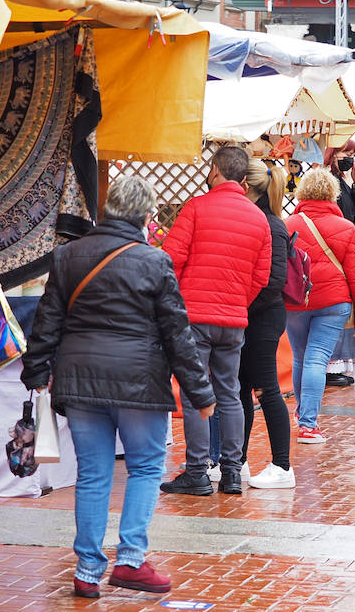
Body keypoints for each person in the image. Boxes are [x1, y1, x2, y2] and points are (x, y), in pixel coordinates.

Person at [22, 175, 216, 599]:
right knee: (146, 466)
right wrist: (200, 394)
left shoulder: (68, 255)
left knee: (93, 474)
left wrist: (36, 374)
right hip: (138, 384)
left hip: (80, 382)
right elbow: (177, 335)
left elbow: (47, 322)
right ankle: (130, 560)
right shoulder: (154, 261)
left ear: (108, 211)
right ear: (146, 216)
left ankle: (88, 570)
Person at [159, 146, 272, 497]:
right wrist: (238, 301)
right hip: (234, 320)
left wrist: (174, 304)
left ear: (214, 171)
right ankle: (232, 472)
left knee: (195, 393)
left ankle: (197, 471)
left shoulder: (196, 208)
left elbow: (170, 262)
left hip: (194, 316)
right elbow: (261, 277)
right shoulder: (259, 219)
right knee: (230, 393)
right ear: (242, 178)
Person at [285, 168, 355, 444]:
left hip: (296, 300)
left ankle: (304, 415)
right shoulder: (346, 228)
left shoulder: (288, 224)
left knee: (301, 358)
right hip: (333, 302)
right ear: (333, 194)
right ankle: (308, 424)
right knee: (316, 360)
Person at [240, 159, 295, 489]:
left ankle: (283, 466)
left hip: (262, 318)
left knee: (266, 390)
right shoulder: (266, 220)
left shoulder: (272, 224)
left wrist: (241, 305)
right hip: (254, 317)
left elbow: (273, 281)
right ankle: (240, 460)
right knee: (242, 388)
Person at [324, 140, 355, 224]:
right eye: (348, 155)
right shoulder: (325, 181)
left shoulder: (341, 181)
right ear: (334, 154)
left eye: (353, 156)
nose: (351, 159)